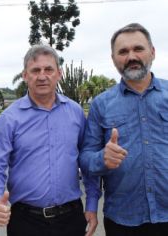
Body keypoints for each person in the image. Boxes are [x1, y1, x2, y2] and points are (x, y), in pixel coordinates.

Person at [0, 44, 101, 236]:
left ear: (59, 73)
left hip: (71, 218)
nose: (42, 76)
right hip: (26, 221)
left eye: (48, 69)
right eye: (35, 70)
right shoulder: (9, 119)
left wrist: (93, 202)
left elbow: (86, 160)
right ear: (25, 75)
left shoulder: (75, 113)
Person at [79, 23, 168, 235]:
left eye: (138, 49)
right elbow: (85, 158)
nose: (131, 56)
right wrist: (102, 158)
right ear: (113, 59)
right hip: (123, 219)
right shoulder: (101, 104)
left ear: (152, 52)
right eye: (123, 51)